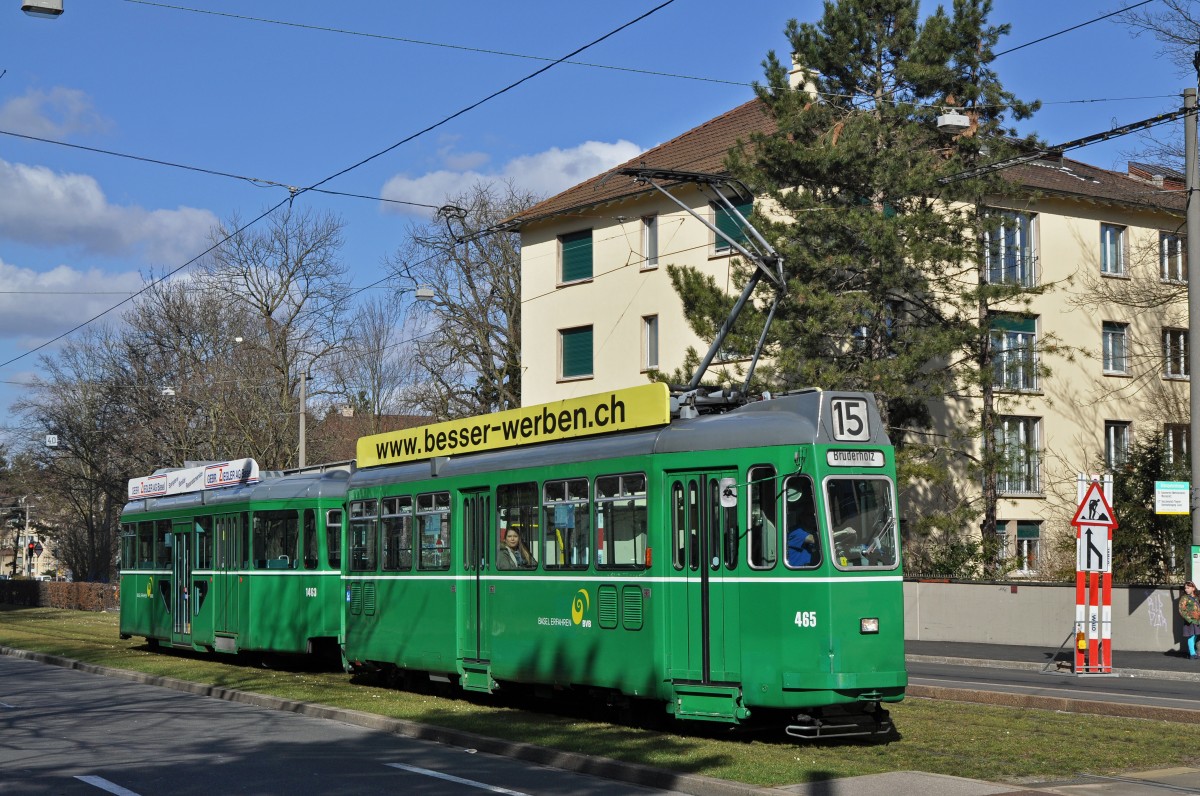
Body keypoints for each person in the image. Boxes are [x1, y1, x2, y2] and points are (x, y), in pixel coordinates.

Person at [1180, 581, 1200, 659]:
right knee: (1191, 636)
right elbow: (1182, 610)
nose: (1186, 589)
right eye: (1185, 588)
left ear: (1193, 588)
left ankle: (1190, 651)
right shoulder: (1184, 598)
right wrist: (1189, 619)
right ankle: (1192, 654)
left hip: (1197, 621)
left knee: (1195, 635)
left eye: (1188, 588)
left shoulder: (1197, 597)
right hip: (1190, 621)